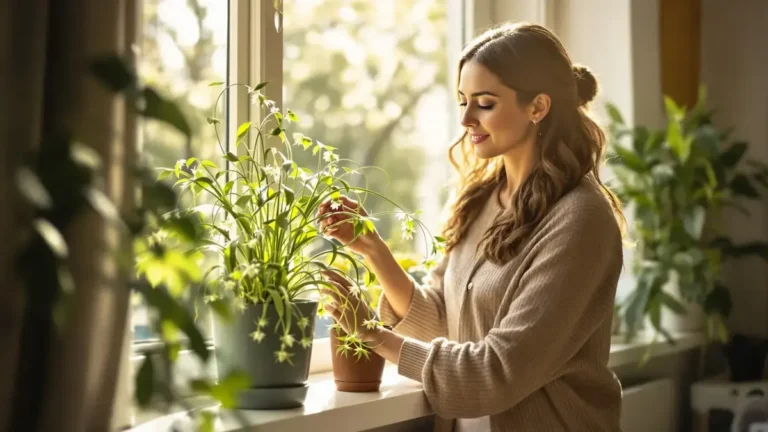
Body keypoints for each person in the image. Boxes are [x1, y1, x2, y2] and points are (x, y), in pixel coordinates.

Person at [318, 22, 625, 432]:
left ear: (538, 107)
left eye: (484, 103)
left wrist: (373, 335)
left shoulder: (580, 221)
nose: (465, 118)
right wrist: (374, 250)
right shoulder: (480, 199)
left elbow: (496, 372)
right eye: (463, 100)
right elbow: (444, 322)